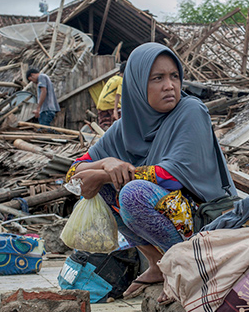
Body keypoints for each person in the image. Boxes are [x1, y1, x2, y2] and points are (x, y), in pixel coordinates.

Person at [64, 43, 237, 301]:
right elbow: (73, 176)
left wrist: (102, 173)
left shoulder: (191, 111)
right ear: (136, 85)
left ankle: (184, 267)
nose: (169, 85)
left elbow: (171, 176)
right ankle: (157, 264)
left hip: (206, 217)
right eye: (157, 78)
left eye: (174, 76)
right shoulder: (124, 128)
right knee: (101, 189)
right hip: (172, 216)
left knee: (133, 193)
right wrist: (106, 162)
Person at [96, 61, 125, 130]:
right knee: (121, 121)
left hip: (101, 104)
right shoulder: (121, 80)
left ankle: (105, 135)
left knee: (105, 124)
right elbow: (118, 94)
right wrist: (115, 110)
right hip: (110, 103)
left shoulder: (113, 78)